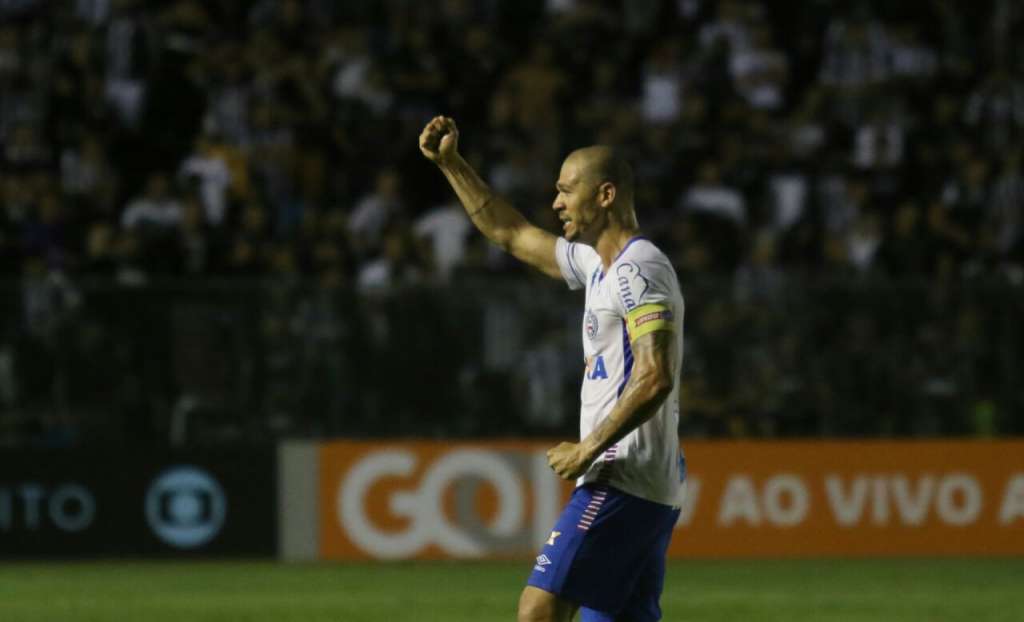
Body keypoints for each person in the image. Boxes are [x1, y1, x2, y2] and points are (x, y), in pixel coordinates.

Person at [420, 116, 687, 622]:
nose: (556, 203)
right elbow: (511, 232)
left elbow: (656, 373)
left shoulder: (638, 267)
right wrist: (452, 165)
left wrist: (590, 446)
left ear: (605, 194)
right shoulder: (598, 266)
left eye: (566, 191)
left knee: (538, 610)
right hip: (647, 481)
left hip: (621, 475)